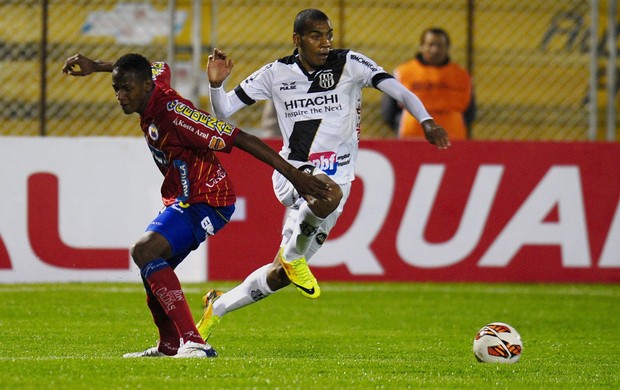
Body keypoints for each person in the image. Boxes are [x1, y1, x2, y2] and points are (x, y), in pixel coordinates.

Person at [195, 8, 450, 341]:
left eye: (328, 34)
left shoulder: (351, 64)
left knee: (280, 275)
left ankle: (219, 307)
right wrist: (216, 85)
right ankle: (294, 257)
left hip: (337, 180)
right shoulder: (276, 73)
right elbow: (225, 110)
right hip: (293, 173)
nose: (325, 42)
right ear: (297, 40)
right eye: (316, 35)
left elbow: (398, 90)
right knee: (325, 198)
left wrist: (426, 118)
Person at [61, 52, 332, 358]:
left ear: (146, 86)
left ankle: (196, 342)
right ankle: (168, 346)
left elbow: (240, 138)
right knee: (152, 273)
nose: (120, 96)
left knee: (145, 251)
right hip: (182, 198)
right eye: (116, 89)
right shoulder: (153, 86)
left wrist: (295, 176)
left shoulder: (176, 115)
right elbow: (158, 66)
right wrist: (98, 65)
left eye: (127, 88)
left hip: (208, 200)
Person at [381, 27, 475, 139]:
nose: (435, 50)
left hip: (452, 139)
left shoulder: (461, 75)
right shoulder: (403, 73)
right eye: (431, 45)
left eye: (440, 45)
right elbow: (388, 111)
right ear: (421, 46)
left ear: (447, 48)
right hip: (411, 139)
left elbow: (470, 112)